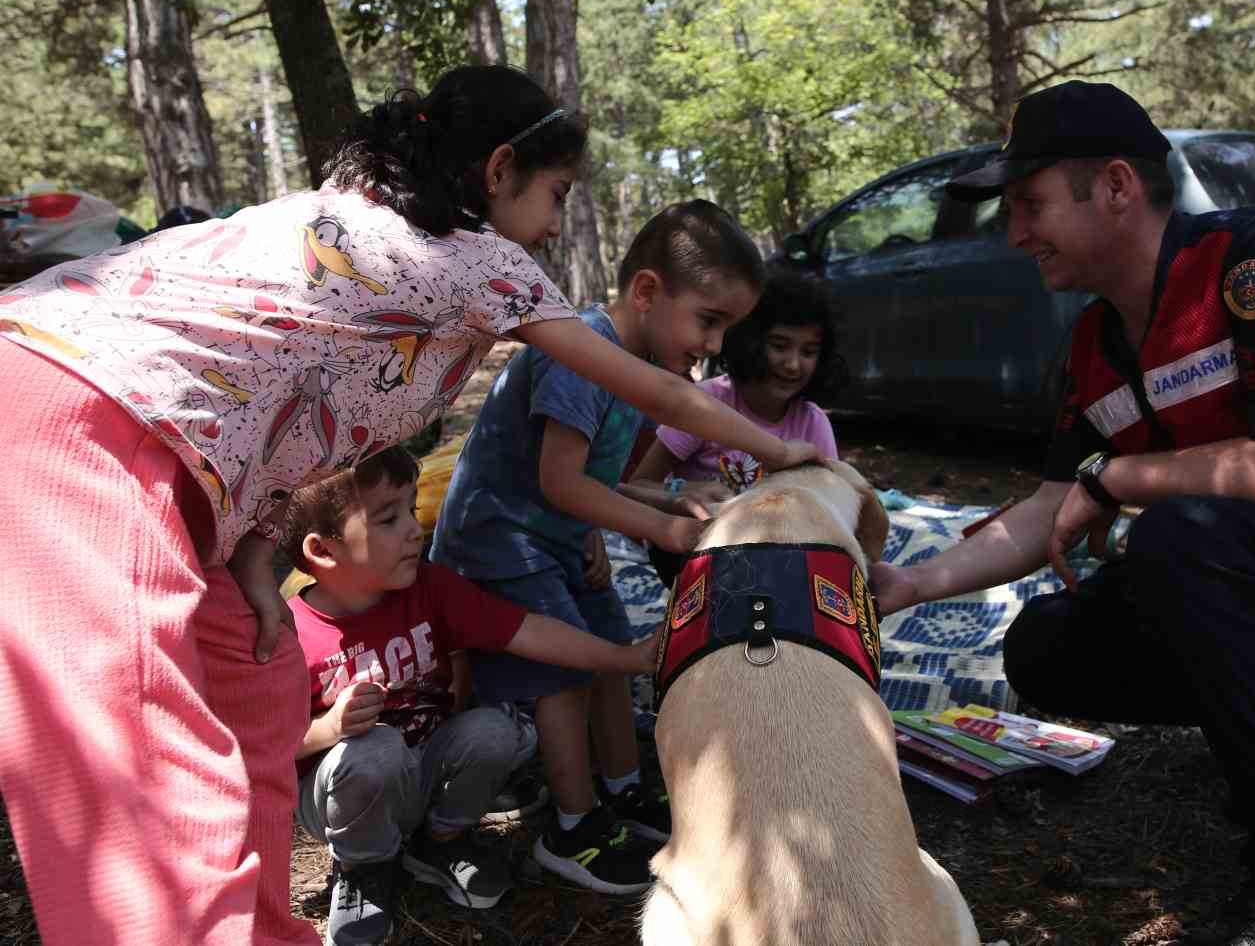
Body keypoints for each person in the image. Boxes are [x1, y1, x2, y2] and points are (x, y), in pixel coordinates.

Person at [0, 66, 815, 946]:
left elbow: (275, 408)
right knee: (144, 778)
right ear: (500, 169)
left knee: (263, 686)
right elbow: (668, 395)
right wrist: (792, 455)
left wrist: (250, 560)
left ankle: (261, 925)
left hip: (164, 469)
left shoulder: (368, 240)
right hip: (70, 424)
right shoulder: (469, 257)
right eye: (556, 193)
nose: (553, 223)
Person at [870, 81, 1255, 946]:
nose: (1015, 232)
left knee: (1186, 538)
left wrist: (1125, 475)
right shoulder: (1095, 344)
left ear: (1119, 187)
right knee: (1049, 646)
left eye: (1030, 203)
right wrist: (906, 583)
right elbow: (1052, 505)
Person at [429, 199, 765, 895]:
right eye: (709, 319)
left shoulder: (640, 365)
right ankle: (573, 826)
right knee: (566, 669)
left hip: (557, 533)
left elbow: (590, 479)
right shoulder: (585, 355)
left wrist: (662, 501)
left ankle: (621, 787)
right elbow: (558, 480)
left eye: (726, 327)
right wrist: (663, 531)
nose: (713, 343)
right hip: (499, 539)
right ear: (646, 292)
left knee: (614, 648)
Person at [283, 448, 658, 945]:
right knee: (372, 751)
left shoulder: (429, 587)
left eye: (412, 511)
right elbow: (265, 747)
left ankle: (442, 840)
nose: (416, 530)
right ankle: (363, 870)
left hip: (422, 772)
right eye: (389, 519)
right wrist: (329, 728)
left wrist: (626, 658)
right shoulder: (292, 633)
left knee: (495, 729)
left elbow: (525, 631)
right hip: (344, 796)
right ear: (323, 552)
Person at [630, 269, 845, 587]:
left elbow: (833, 512)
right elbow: (637, 486)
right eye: (780, 345)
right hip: (692, 552)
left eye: (809, 352)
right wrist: (681, 493)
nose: (793, 364)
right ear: (750, 340)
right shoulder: (704, 404)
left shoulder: (813, 422)